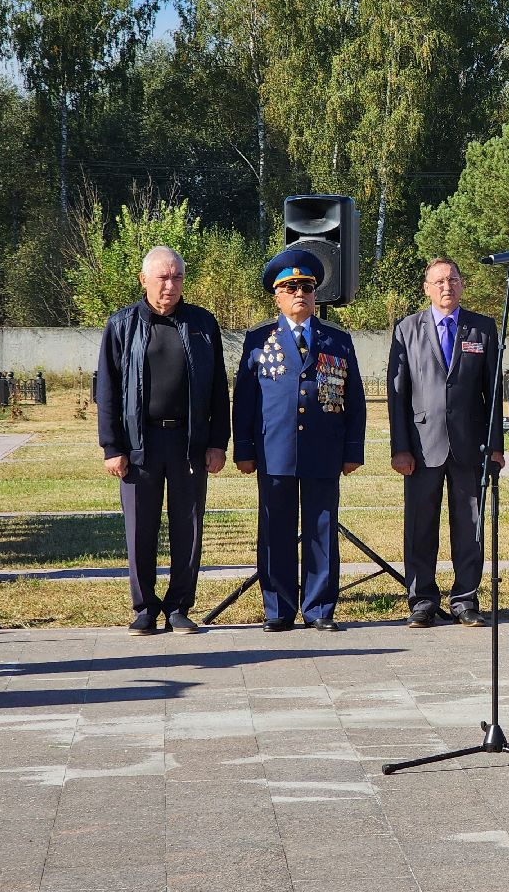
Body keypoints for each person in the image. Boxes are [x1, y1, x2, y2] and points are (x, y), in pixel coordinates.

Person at [96, 246, 229, 635]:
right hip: (140, 445)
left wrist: (218, 441)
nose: (170, 285)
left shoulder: (203, 324)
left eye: (177, 277)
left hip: (188, 442)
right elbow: (107, 391)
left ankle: (178, 606)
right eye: (162, 277)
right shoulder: (121, 325)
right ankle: (145, 607)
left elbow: (219, 389)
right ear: (143, 280)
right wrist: (111, 446)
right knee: (140, 527)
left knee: (188, 525)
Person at [233, 249, 367, 632]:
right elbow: (244, 400)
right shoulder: (260, 339)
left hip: (324, 450)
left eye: (307, 287)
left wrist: (352, 449)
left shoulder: (337, 340)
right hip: (274, 451)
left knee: (322, 529)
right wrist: (243, 449)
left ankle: (320, 608)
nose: (300, 294)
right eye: (290, 287)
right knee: (275, 530)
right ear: (276, 295)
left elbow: (354, 398)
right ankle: (278, 609)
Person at [387, 257, 503, 629]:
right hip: (422, 446)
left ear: (462, 284)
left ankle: (466, 599)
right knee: (420, 525)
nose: (446, 286)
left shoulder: (482, 328)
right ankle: (421, 599)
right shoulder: (407, 329)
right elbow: (398, 394)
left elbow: (493, 391)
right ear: (426, 288)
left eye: (452, 279)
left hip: (470, 445)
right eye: (438, 281)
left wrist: (495, 445)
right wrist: (400, 447)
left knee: (469, 524)